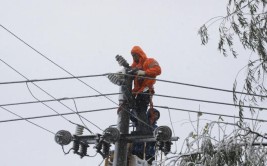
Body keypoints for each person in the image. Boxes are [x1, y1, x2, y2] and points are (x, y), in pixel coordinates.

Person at [130, 46, 161, 134]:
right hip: (139, 91)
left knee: (141, 109)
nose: (133, 58)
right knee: (135, 110)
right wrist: (132, 94)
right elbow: (136, 85)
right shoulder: (136, 67)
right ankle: (141, 128)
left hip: (146, 90)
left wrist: (145, 73)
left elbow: (158, 70)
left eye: (135, 55)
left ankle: (143, 130)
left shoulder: (149, 61)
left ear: (139, 54)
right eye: (132, 56)